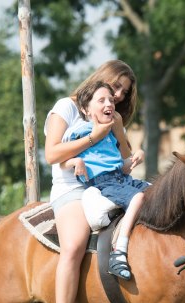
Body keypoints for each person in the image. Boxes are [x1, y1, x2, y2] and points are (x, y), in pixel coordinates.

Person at [43, 60, 140, 303]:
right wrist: (92, 137)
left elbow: (124, 157)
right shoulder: (67, 108)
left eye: (124, 92)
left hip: (107, 184)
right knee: (73, 244)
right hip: (72, 188)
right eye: (116, 87)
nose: (120, 96)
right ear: (101, 79)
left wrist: (120, 135)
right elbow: (51, 154)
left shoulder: (112, 115)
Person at [67, 80, 149, 282]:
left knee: (158, 192)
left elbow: (117, 166)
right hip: (103, 183)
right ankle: (119, 251)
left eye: (111, 100)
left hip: (121, 179)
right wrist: (75, 160)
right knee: (139, 198)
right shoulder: (82, 131)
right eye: (101, 100)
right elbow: (62, 160)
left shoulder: (110, 135)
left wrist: (135, 157)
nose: (109, 104)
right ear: (86, 109)